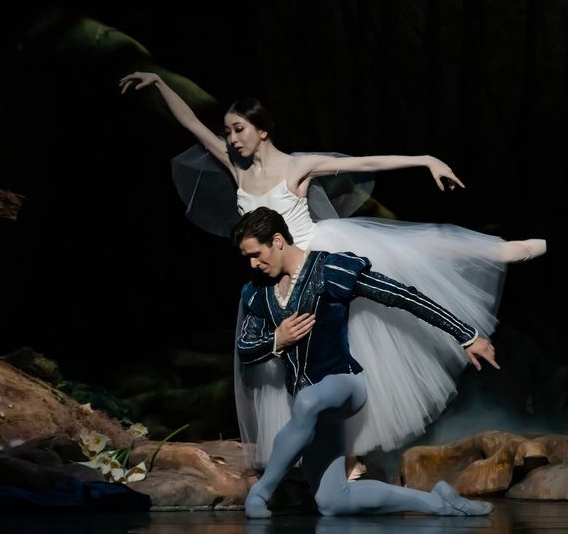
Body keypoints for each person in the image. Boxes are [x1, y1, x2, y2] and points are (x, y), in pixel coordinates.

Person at [119, 70, 545, 466]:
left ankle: (508, 250)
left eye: (238, 130)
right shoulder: (236, 169)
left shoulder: (297, 166)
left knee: (414, 261)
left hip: (318, 258)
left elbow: (366, 162)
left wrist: (425, 159)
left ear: (262, 130)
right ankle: (341, 458)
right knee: (298, 360)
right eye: (228, 131)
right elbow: (191, 125)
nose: (230, 139)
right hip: (279, 279)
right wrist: (159, 83)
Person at [233, 207, 496, 518]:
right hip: (312, 408)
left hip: (344, 384)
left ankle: (260, 493)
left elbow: (402, 295)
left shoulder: (330, 268)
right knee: (333, 502)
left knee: (306, 402)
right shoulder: (259, 293)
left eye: (256, 253)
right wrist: (277, 340)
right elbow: (245, 348)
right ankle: (439, 503)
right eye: (247, 257)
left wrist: (467, 335)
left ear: (277, 240)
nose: (252, 264)